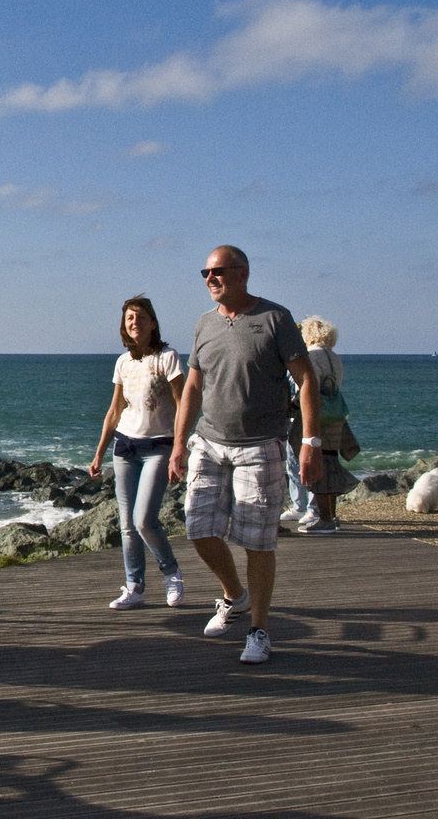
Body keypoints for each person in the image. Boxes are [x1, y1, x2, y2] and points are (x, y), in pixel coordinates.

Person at [170, 245, 320, 665]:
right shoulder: (204, 324)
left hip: (261, 444)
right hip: (209, 441)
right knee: (198, 528)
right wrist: (179, 444)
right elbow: (193, 389)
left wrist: (310, 442)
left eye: (217, 271)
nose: (209, 279)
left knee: (257, 541)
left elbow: (305, 380)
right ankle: (234, 595)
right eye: (205, 272)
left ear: (243, 273)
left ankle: (259, 630)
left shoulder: (275, 318)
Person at [89, 295, 185, 609]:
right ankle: (135, 587)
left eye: (141, 317)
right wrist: (99, 452)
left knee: (144, 520)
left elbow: (184, 404)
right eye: (130, 318)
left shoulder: (167, 357)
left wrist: (180, 448)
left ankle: (171, 572)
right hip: (125, 447)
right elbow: (115, 410)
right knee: (127, 525)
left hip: (159, 446)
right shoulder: (123, 363)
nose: (135, 323)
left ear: (153, 323)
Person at [293, 315, 361, 535]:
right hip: (335, 417)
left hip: (317, 416)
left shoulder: (310, 356)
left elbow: (305, 387)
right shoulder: (335, 357)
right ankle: (330, 515)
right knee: (330, 464)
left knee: (315, 465)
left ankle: (324, 518)